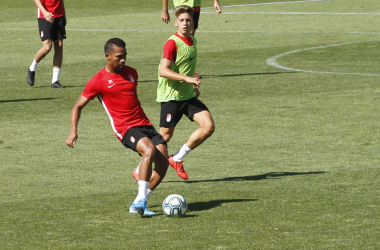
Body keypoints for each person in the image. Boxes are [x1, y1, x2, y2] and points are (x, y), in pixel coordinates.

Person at [66, 38, 169, 216]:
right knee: (148, 150)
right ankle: (142, 201)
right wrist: (73, 130)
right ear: (108, 56)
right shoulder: (98, 81)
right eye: (119, 57)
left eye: (125, 56)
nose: (123, 60)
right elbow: (77, 106)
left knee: (163, 163)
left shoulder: (132, 73)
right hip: (125, 128)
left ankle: (138, 202)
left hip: (144, 124)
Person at [157, 5, 215, 180]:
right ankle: (140, 169)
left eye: (188, 20)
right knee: (164, 138)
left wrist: (192, 84)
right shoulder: (171, 43)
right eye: (181, 20)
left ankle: (176, 158)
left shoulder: (193, 41)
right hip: (171, 96)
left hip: (187, 95)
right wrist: (187, 79)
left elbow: (187, 67)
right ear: (175, 23)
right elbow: (163, 70)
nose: (185, 23)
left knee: (208, 126)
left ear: (192, 23)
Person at [27, 0, 66, 88]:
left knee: (59, 45)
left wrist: (64, 14)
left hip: (59, 14)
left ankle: (55, 81)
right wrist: (44, 12)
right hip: (44, 14)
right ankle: (32, 68)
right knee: (47, 47)